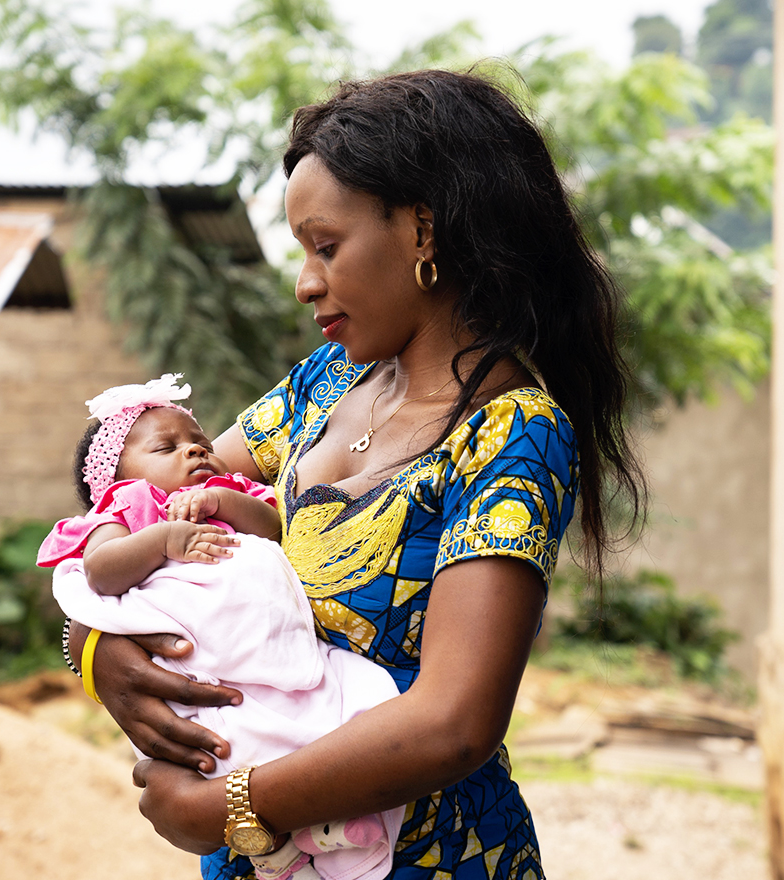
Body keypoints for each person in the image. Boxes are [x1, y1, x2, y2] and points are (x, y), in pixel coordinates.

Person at [68, 69, 644, 880]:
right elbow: (134, 510)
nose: (305, 282)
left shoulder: (511, 434)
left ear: (422, 230)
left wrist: (234, 804)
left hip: (430, 858)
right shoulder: (324, 383)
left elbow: (454, 722)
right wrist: (92, 646)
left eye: (326, 246)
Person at [39, 374, 405, 880]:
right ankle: (279, 855)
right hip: (207, 666)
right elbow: (101, 571)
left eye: (201, 444)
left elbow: (273, 528)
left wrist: (223, 502)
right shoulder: (130, 507)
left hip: (277, 651)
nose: (194, 453)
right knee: (232, 743)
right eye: (167, 447)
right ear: (118, 478)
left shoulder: (231, 491)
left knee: (344, 705)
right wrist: (163, 539)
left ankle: (331, 829)